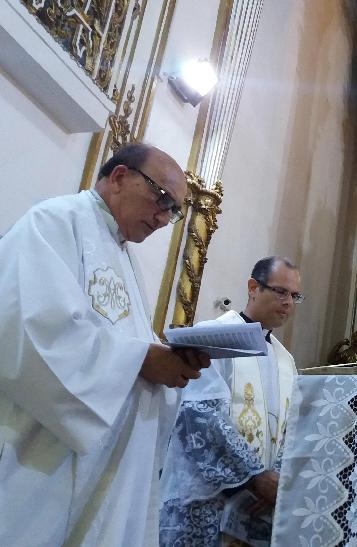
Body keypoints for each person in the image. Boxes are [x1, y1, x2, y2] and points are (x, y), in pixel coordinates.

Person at [0, 143, 211, 546]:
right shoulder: (55, 221)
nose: (165, 218)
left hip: (106, 465)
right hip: (42, 459)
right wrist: (141, 361)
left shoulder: (122, 256)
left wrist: (168, 365)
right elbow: (31, 329)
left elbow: (129, 347)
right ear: (119, 177)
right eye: (162, 199)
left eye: (174, 211)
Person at [160, 257, 302, 546]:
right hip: (207, 502)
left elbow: (292, 428)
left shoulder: (286, 360)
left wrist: (277, 481)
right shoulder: (213, 336)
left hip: (255, 508)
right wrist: (255, 477)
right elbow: (199, 417)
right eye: (281, 291)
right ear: (253, 287)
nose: (288, 302)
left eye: (294, 295)